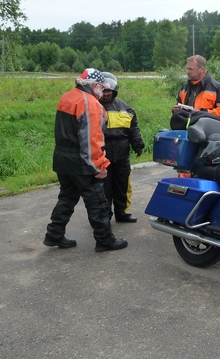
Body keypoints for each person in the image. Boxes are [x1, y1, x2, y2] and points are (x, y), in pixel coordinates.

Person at [43, 68, 128, 252]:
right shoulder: (90, 104)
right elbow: (91, 140)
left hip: (62, 160)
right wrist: (99, 166)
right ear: (95, 85)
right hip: (82, 163)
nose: (104, 92)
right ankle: (105, 240)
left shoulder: (67, 97)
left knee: (67, 198)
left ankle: (54, 234)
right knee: (98, 202)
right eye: (103, 87)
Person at [99, 72, 145, 223]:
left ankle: (122, 212)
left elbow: (133, 129)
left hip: (122, 155)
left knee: (123, 186)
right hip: (102, 156)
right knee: (104, 189)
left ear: (114, 90)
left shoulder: (125, 108)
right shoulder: (94, 107)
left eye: (109, 91)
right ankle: (104, 216)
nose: (106, 94)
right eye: (104, 91)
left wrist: (137, 144)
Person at [171, 55, 220, 120]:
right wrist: (175, 111)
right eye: (187, 69)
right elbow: (178, 109)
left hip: (207, 128)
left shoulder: (218, 88)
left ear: (202, 69)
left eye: (191, 69)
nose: (187, 72)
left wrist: (201, 113)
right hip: (186, 126)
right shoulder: (184, 88)